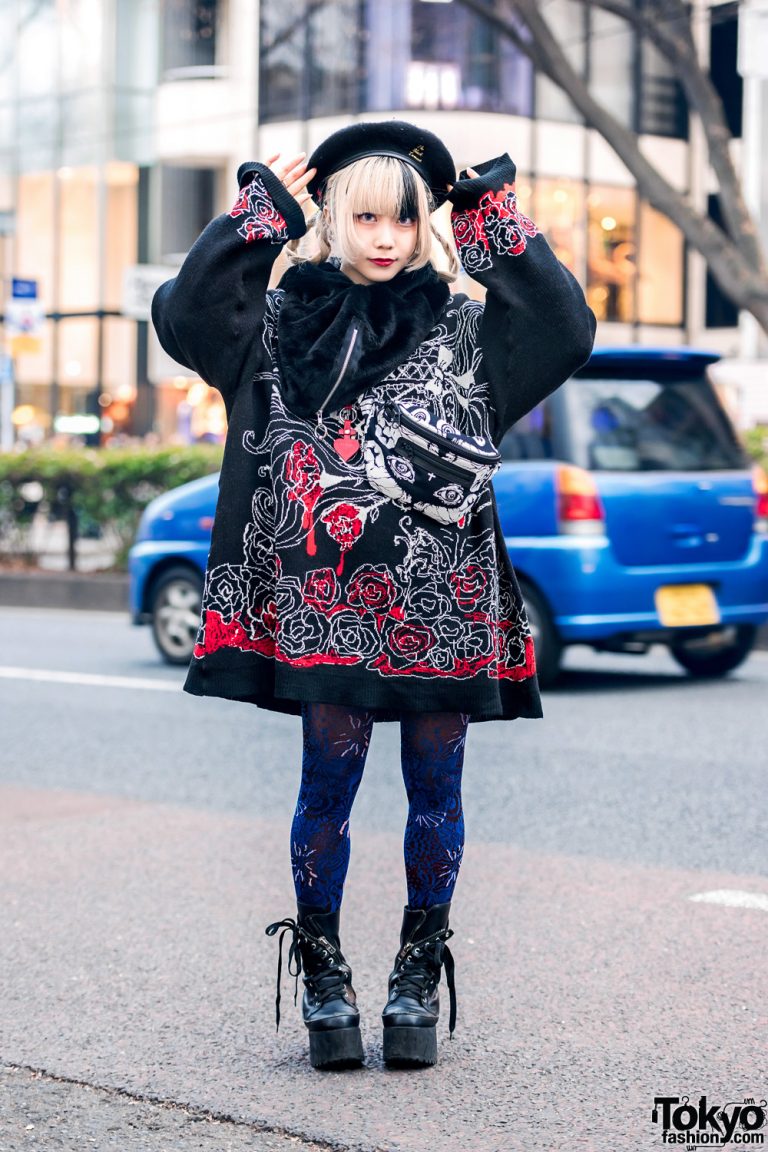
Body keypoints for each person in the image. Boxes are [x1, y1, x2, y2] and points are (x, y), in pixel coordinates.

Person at [151, 120, 596, 1072]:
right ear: (331, 218)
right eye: (364, 216)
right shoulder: (272, 329)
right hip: (323, 608)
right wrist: (254, 214)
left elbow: (566, 329)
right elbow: (186, 318)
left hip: (443, 610)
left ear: (427, 221)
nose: (386, 236)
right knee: (328, 789)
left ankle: (413, 978)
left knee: (438, 790)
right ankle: (324, 982)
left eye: (406, 217)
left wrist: (488, 213)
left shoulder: (471, 332)